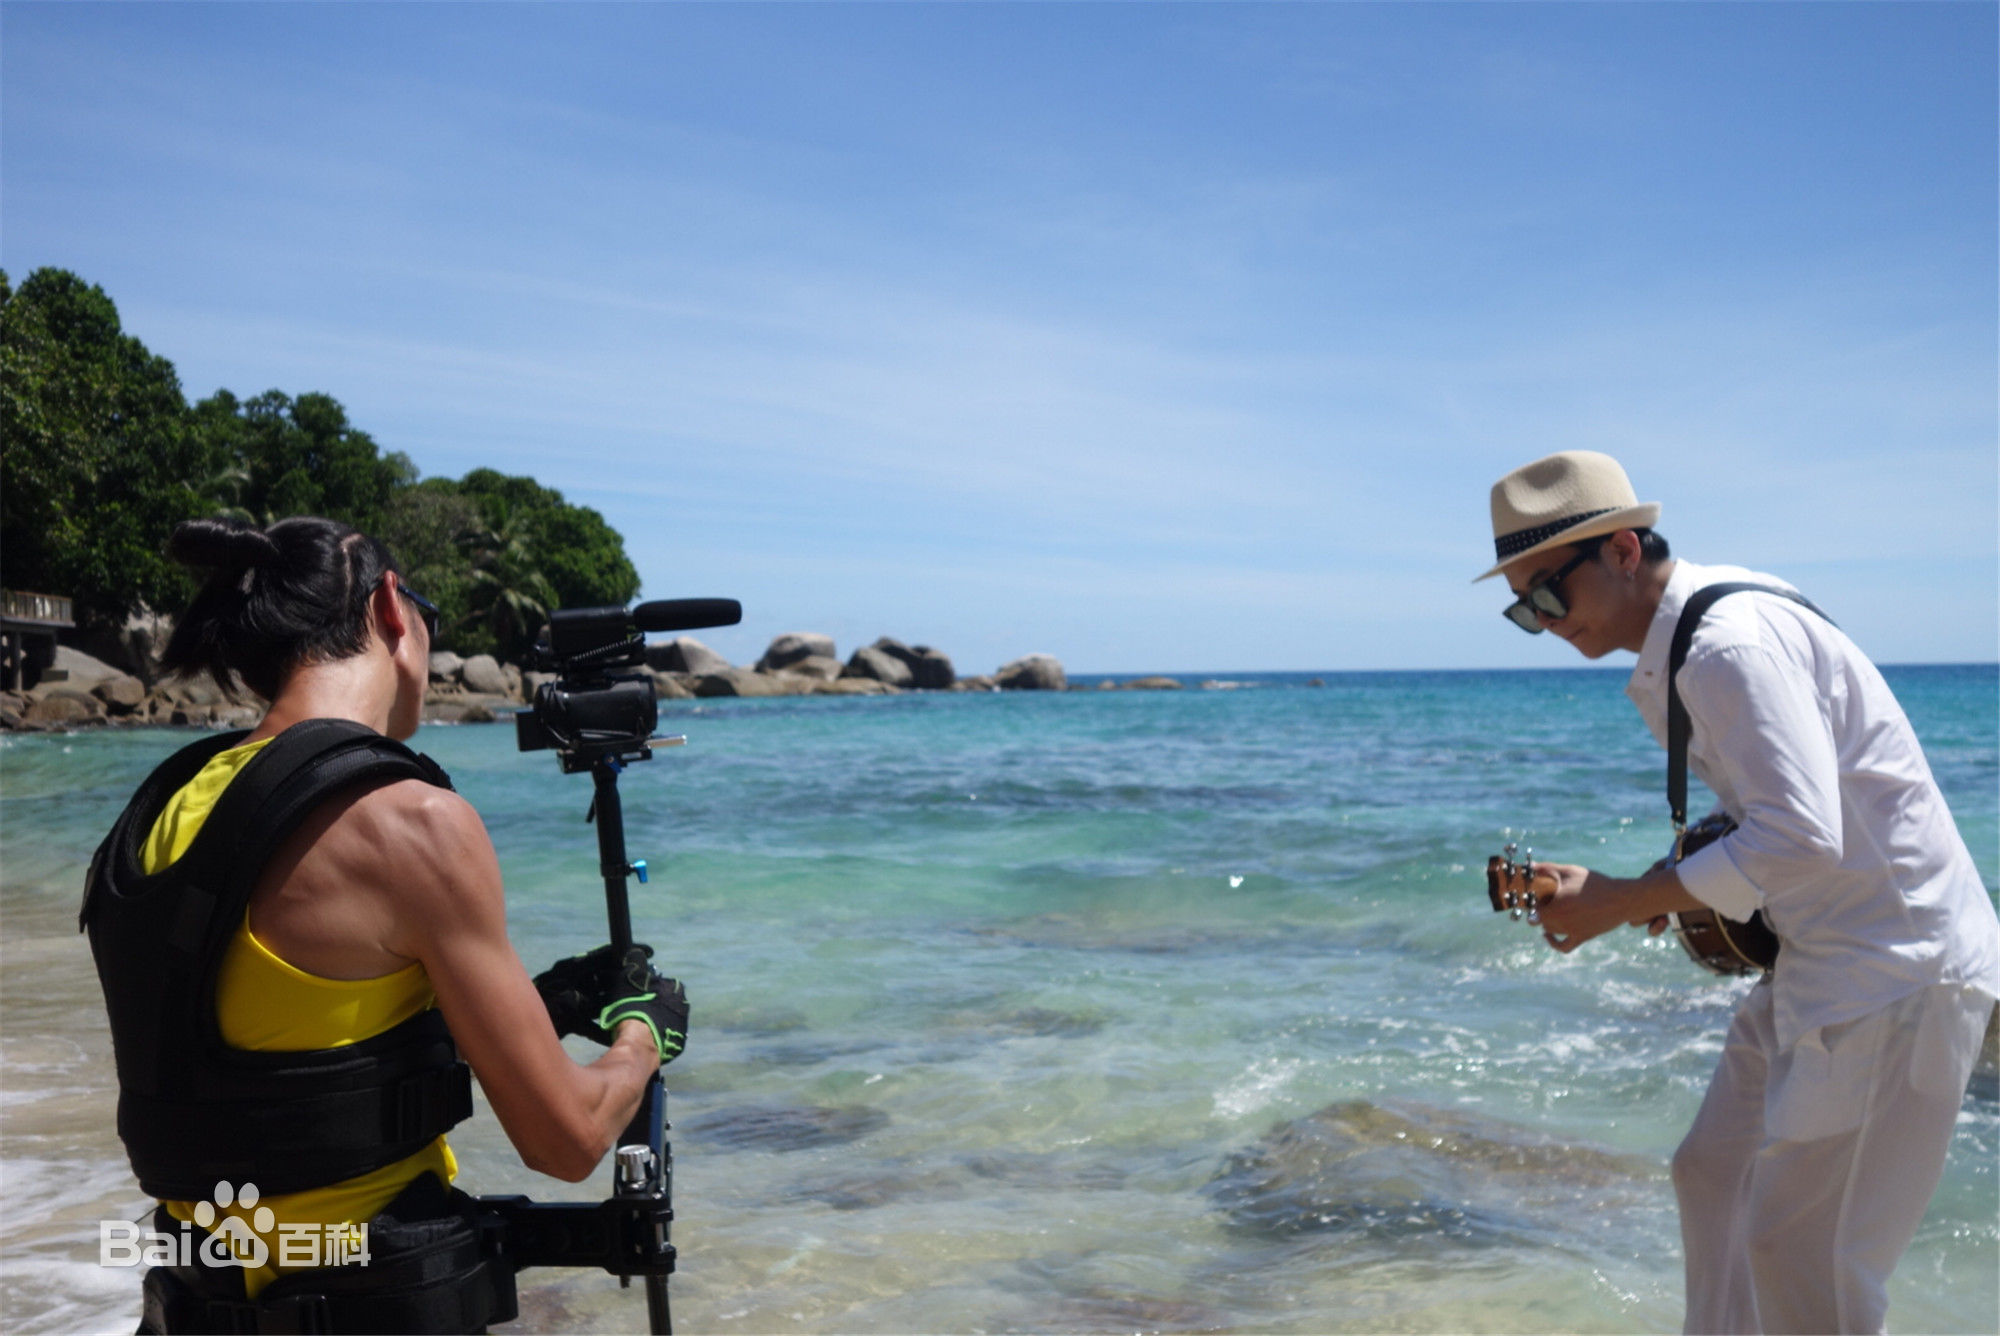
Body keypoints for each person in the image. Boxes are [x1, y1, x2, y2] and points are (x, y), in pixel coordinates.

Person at [82, 515, 690, 1334]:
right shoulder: (411, 824)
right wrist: (642, 1037)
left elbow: (277, 1061)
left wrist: (533, 1010)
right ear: (392, 609)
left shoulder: (162, 810)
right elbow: (568, 1140)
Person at [1476, 451, 1998, 1335]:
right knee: (1713, 1175)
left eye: (1550, 594)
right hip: (1828, 964)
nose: (1544, 620)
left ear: (1624, 552)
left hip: (1896, 974)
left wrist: (1623, 902)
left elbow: (1800, 835)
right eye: (1524, 608)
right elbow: (1781, 826)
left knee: (1808, 1261)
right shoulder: (1702, 631)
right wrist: (1640, 890)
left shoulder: (1724, 648)